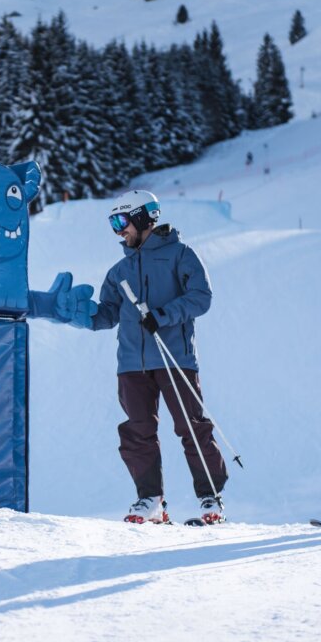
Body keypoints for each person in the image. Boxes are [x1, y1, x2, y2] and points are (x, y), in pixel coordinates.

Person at [87, 190, 228, 524]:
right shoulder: (118, 271)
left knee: (191, 428)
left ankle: (210, 498)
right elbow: (106, 315)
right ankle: (150, 499)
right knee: (138, 431)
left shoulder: (180, 255)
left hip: (174, 358)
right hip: (132, 363)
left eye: (121, 221)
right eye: (113, 223)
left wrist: (163, 315)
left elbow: (201, 298)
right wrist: (78, 313)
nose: (118, 231)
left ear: (142, 217)